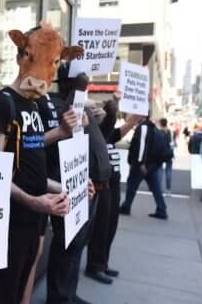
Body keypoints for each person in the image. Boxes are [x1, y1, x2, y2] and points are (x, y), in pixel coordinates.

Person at [0, 23, 81, 304]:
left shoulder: (33, 105)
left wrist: (67, 187)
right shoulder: (2, 103)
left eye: (53, 63)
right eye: (30, 57)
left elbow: (30, 161)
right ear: (19, 56)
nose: (39, 75)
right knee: (2, 293)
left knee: (21, 285)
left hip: (34, 219)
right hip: (9, 223)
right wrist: (35, 202)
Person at [36, 82, 95, 304]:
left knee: (75, 241)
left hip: (66, 179)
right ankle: (59, 297)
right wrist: (62, 130)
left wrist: (80, 127)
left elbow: (71, 140)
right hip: (46, 181)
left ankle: (68, 294)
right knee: (60, 243)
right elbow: (26, 146)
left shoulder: (59, 102)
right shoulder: (32, 101)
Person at [84, 101, 143, 284]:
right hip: (102, 184)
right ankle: (95, 265)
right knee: (101, 226)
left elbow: (118, 132)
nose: (97, 111)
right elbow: (110, 123)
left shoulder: (106, 135)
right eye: (93, 109)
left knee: (111, 224)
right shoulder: (94, 133)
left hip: (114, 182)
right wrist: (112, 106)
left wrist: (133, 121)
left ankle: (103, 262)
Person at [119, 115, 169, 220]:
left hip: (143, 165)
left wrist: (141, 163)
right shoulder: (153, 128)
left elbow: (142, 146)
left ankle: (126, 206)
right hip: (153, 164)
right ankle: (161, 209)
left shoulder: (143, 127)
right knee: (155, 188)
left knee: (132, 185)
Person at [158, 118, 174, 195]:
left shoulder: (158, 131)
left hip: (160, 152)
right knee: (169, 171)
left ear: (160, 123)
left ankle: (159, 189)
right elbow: (172, 143)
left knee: (159, 170)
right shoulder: (170, 131)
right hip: (168, 152)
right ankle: (168, 189)